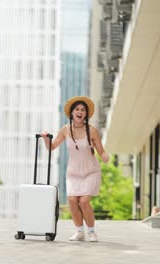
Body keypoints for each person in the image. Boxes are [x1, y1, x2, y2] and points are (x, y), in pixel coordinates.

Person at [40, 96, 109, 242]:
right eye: (77, 109)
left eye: (83, 110)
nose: (80, 112)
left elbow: (101, 151)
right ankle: (79, 232)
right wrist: (47, 140)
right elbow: (52, 147)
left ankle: (91, 232)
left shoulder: (92, 130)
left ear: (86, 114)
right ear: (71, 113)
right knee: (72, 200)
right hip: (73, 173)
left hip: (91, 171)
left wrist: (105, 156)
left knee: (84, 202)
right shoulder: (65, 130)